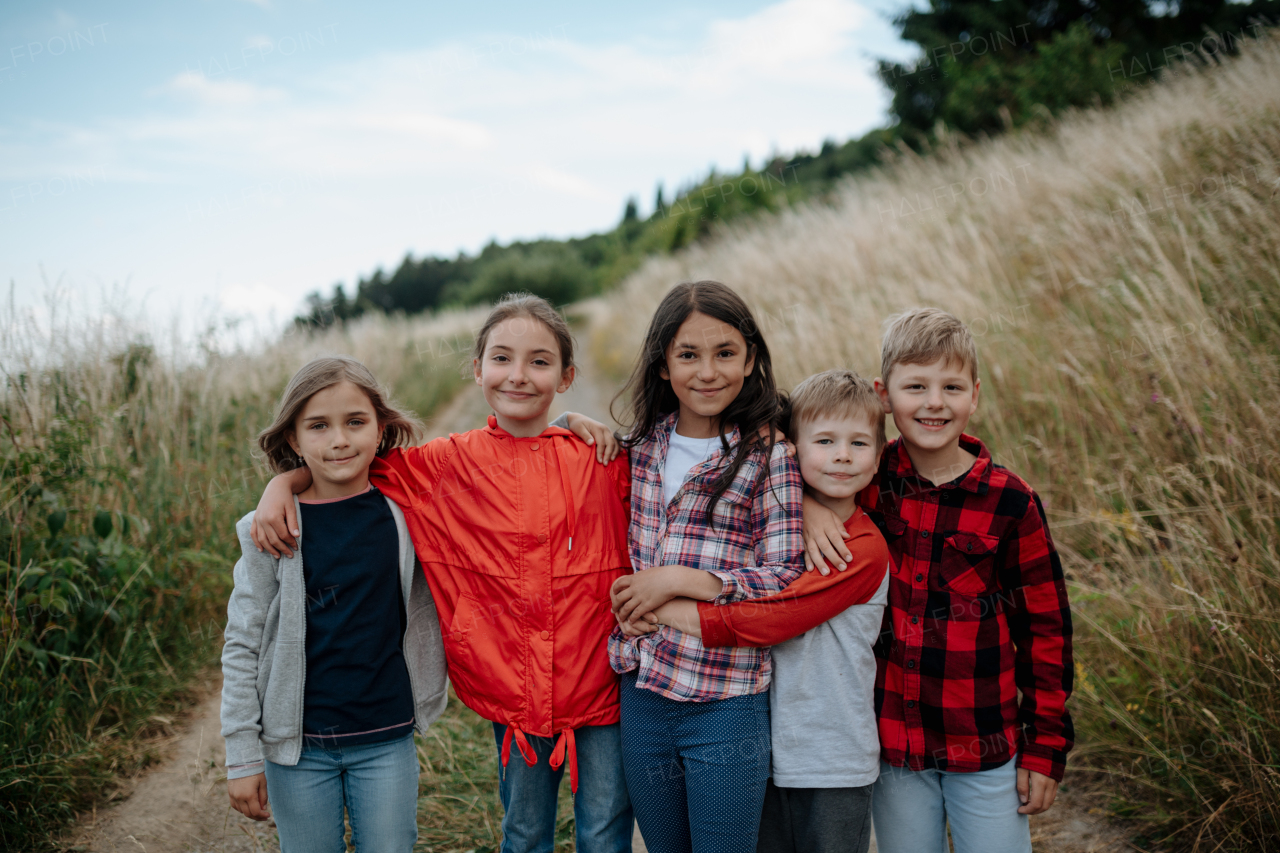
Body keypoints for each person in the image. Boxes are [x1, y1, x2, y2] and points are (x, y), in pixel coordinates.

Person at [249, 294, 634, 853]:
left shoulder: (600, 460)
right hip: (518, 691)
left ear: (568, 376)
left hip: (602, 685)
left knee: (605, 831)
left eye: (540, 362)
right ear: (477, 370)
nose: (519, 376)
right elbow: (350, 464)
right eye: (501, 358)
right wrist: (280, 484)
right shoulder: (447, 464)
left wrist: (574, 426)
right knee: (524, 832)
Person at [803, 308, 1074, 853]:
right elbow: (785, 453)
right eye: (915, 386)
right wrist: (811, 505)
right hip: (896, 747)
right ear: (884, 394)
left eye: (951, 386)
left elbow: (1045, 630)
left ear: (974, 394)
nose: (934, 402)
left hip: (984, 743)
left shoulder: (1010, 501)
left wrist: (1045, 746)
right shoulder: (865, 477)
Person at [559, 280, 805, 853]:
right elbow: (545, 455)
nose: (707, 371)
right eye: (687, 355)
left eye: (725, 353)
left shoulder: (767, 456)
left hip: (726, 701)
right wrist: (570, 418)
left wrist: (682, 581)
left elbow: (785, 575)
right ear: (663, 366)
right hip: (643, 695)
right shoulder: (640, 449)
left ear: (749, 361)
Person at [637, 369, 891, 853]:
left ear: (879, 458)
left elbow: (772, 618)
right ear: (790, 450)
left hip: (832, 758)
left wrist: (664, 605)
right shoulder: (779, 516)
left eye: (859, 444)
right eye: (825, 441)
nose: (842, 454)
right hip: (769, 748)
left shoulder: (859, 548)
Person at [220, 355, 449, 853]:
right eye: (318, 426)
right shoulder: (269, 529)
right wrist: (242, 755)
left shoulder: (409, 514)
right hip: (298, 750)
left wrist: (563, 425)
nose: (340, 439)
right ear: (293, 440)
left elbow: (499, 465)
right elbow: (242, 641)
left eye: (355, 422)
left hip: (387, 738)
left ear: (381, 427)